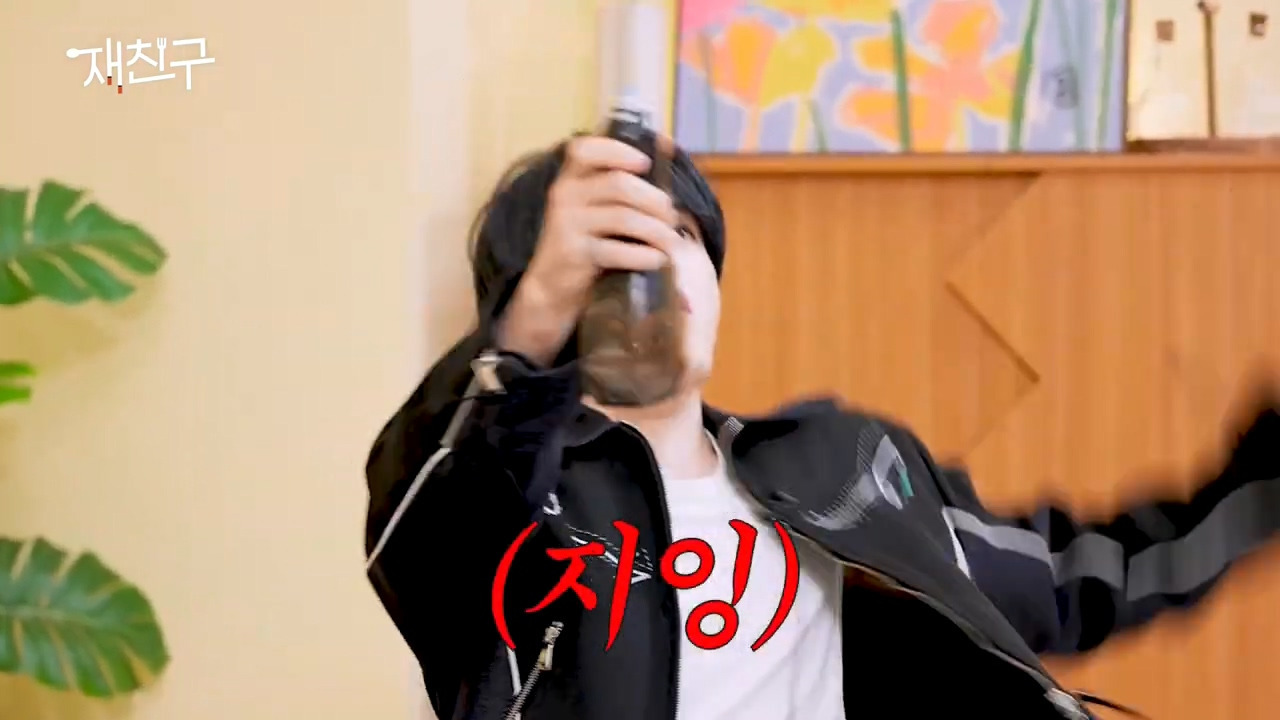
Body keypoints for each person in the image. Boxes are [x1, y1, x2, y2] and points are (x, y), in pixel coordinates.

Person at [363, 133, 1280, 720]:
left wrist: (1261, 483)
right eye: (611, 243)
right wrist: (528, 328)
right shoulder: (510, 507)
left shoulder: (839, 469)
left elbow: (1074, 579)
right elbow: (421, 519)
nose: (652, 263)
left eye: (681, 235)